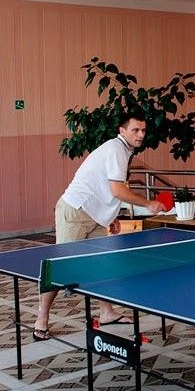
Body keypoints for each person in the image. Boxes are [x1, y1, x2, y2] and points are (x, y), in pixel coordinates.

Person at [33, 111, 166, 340]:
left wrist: (110, 215)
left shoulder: (123, 150)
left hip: (94, 216)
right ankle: (41, 319)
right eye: (135, 130)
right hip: (75, 211)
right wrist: (148, 203)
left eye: (143, 130)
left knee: (101, 264)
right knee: (59, 268)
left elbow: (105, 186)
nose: (141, 134)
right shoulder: (116, 149)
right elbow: (118, 190)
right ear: (122, 131)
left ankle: (106, 312)